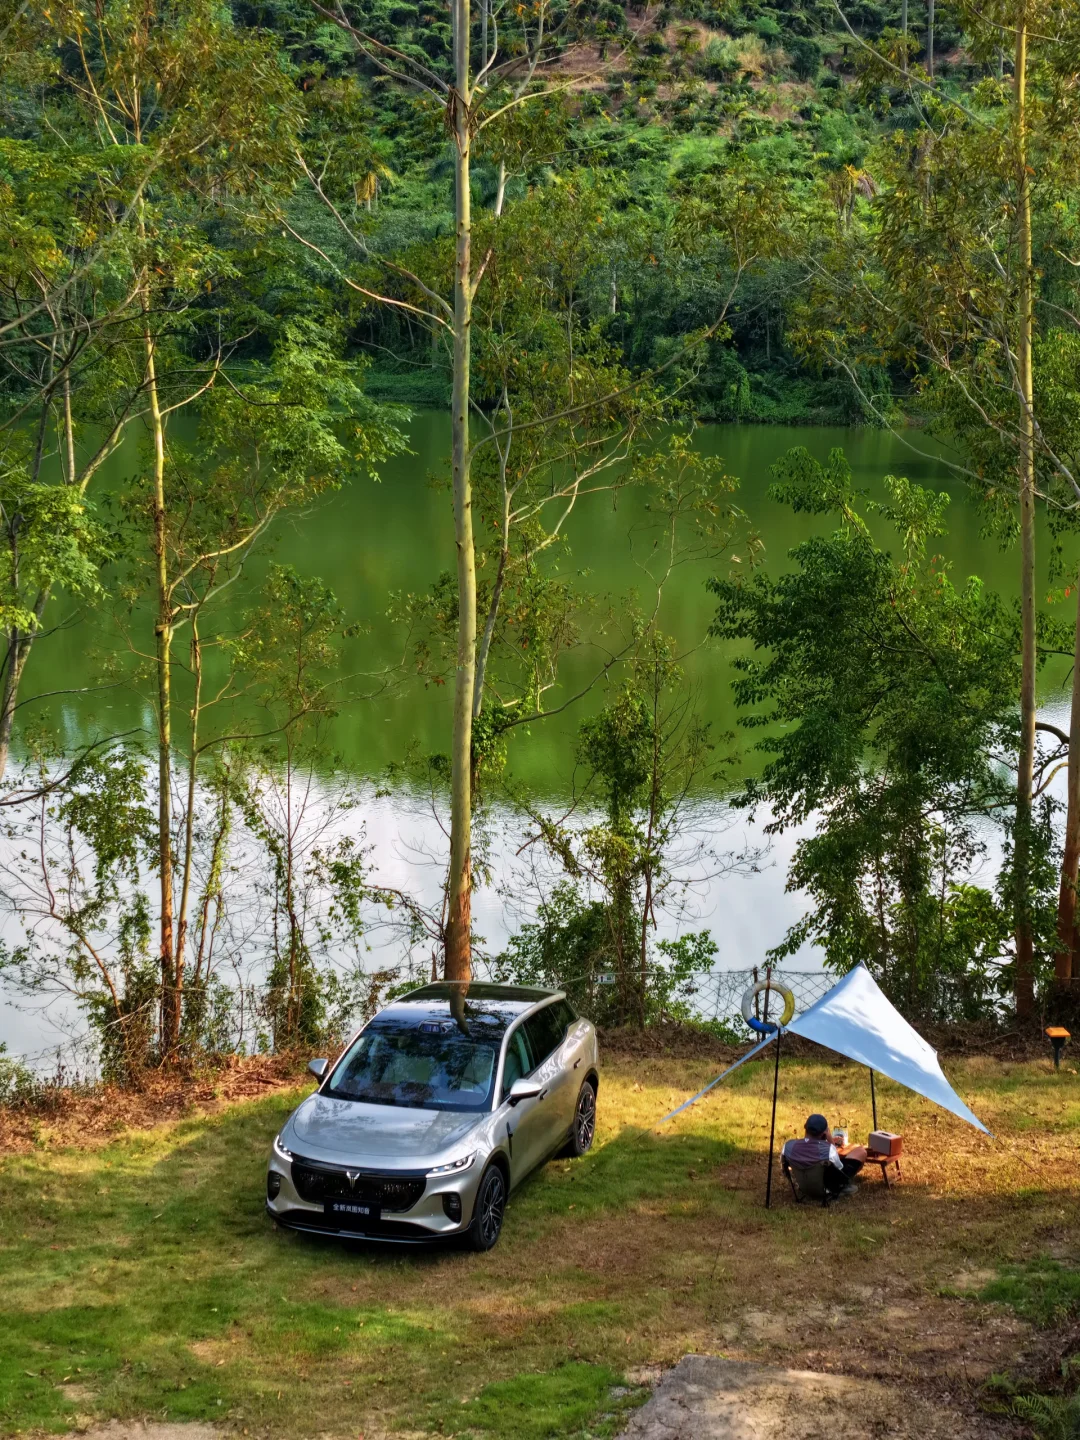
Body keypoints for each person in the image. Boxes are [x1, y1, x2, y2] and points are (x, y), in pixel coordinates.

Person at [782, 1113, 864, 1197]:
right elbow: (839, 1168)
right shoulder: (828, 1150)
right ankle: (844, 1186)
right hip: (826, 1189)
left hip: (803, 1186)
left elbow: (785, 1165)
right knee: (861, 1152)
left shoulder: (788, 1146)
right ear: (824, 1133)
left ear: (805, 1128)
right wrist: (831, 1141)